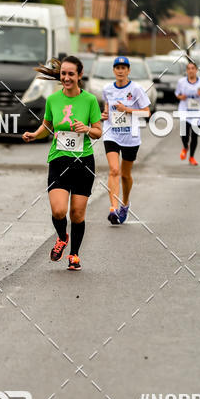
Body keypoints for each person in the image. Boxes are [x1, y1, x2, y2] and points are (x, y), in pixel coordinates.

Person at [22, 56, 102, 271]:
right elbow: (46, 127)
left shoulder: (90, 101)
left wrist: (86, 129)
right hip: (58, 160)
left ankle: (74, 254)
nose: (66, 78)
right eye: (63, 74)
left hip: (83, 162)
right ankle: (61, 237)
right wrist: (33, 135)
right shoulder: (53, 100)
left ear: (79, 75)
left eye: (71, 74)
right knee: (59, 211)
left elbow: (98, 131)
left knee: (77, 213)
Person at [100, 56, 150, 225]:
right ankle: (113, 208)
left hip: (131, 137)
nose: (120, 71)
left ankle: (125, 203)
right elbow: (107, 108)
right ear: (113, 70)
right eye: (117, 68)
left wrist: (126, 110)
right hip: (111, 134)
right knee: (114, 170)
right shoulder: (107, 89)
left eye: (124, 68)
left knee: (126, 174)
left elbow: (146, 112)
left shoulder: (136, 89)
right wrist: (104, 114)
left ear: (128, 71)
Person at [175, 59, 200, 166]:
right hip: (184, 111)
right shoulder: (181, 82)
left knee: (195, 136)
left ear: (196, 70)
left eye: (193, 69)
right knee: (184, 134)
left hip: (197, 113)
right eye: (189, 69)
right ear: (186, 71)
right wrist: (180, 97)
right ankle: (185, 147)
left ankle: (191, 157)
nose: (191, 71)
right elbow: (177, 93)